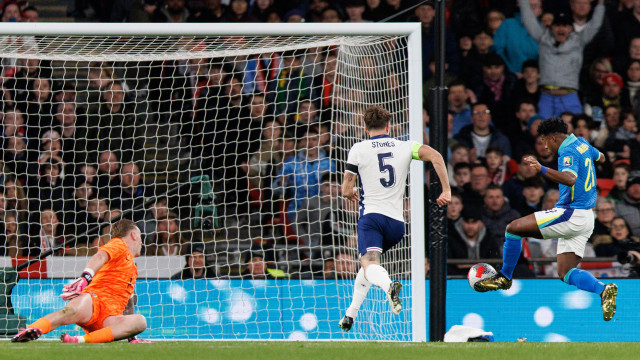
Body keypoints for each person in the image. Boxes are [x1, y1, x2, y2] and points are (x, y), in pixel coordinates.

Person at [476, 117, 617, 322]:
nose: (544, 146)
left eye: (544, 141)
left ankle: (505, 277)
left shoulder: (566, 152)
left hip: (571, 213)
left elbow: (569, 179)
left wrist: (541, 168)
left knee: (513, 229)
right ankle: (603, 290)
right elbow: (601, 157)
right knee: (565, 272)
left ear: (553, 138)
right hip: (587, 217)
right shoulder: (582, 143)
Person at [338, 105, 451, 331]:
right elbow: (436, 156)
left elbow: (345, 189)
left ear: (365, 126)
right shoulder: (406, 146)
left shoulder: (358, 149)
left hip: (372, 218)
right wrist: (446, 190)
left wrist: (351, 192)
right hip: (397, 225)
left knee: (370, 264)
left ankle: (390, 287)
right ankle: (350, 314)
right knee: (368, 266)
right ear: (389, 126)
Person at [11, 219, 148, 343]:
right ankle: (31, 330)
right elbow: (100, 256)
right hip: (94, 301)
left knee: (140, 321)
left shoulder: (132, 268)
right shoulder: (119, 244)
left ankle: (78, 340)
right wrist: (85, 278)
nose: (142, 242)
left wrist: (132, 337)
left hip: (109, 319)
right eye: (140, 236)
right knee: (70, 311)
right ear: (133, 235)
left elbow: (129, 303)